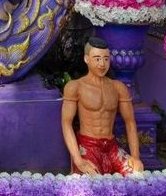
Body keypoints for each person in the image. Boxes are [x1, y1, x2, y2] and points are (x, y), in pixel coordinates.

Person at [61, 36, 144, 175]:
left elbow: (130, 122)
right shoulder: (75, 87)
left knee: (136, 176)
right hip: (88, 146)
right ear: (86, 59)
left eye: (106, 59)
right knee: (91, 185)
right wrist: (77, 159)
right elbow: (66, 123)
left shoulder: (118, 87)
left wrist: (135, 157)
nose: (102, 64)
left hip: (111, 147)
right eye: (97, 59)